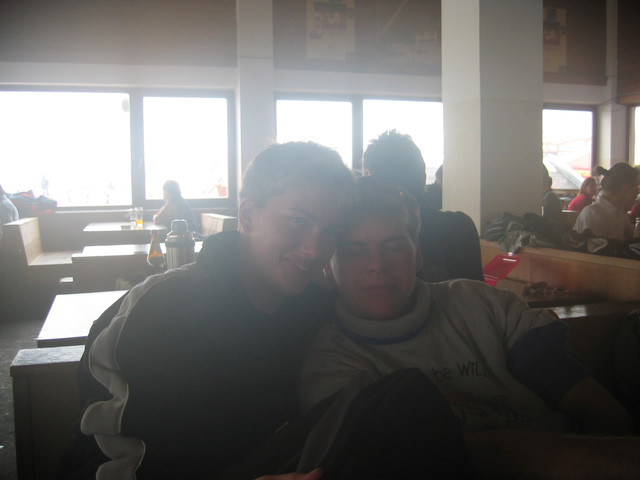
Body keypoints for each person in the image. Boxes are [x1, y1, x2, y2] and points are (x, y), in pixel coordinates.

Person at [299, 176, 640, 479]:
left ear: (418, 255)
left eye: (394, 247)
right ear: (328, 268)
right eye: (354, 251)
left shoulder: (484, 305)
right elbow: (414, 460)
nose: (377, 265)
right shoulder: (330, 366)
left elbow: (594, 406)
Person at [74, 142, 357, 480]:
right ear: (247, 215)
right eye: (298, 221)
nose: (314, 250)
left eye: (330, 232)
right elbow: (108, 461)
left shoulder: (315, 308)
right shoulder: (160, 312)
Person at [362, 130, 483, 282]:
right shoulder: (460, 227)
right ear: (423, 176)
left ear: (370, 178)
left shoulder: (362, 236)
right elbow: (476, 293)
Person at [574, 163, 640, 241]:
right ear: (625, 188)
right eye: (636, 186)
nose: (638, 191)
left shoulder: (620, 212)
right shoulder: (592, 215)